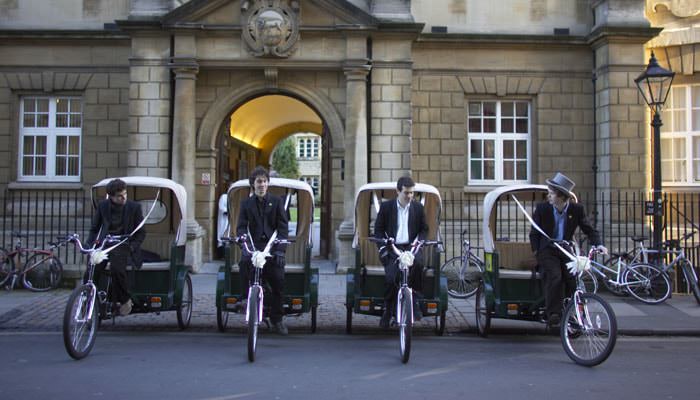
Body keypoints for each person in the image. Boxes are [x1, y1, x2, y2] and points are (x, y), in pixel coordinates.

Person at [529, 172, 607, 328]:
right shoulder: (542, 209)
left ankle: (573, 311)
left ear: (561, 197)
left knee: (573, 279)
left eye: (551, 193)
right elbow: (534, 233)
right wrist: (537, 252)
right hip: (547, 250)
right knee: (555, 275)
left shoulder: (576, 210)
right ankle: (554, 314)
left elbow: (589, 229)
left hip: (565, 249)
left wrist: (598, 244)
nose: (548, 196)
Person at [236, 166, 289, 335]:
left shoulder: (277, 201)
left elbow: (283, 228)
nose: (262, 185)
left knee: (279, 281)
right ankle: (245, 299)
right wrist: (245, 244)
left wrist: (280, 250)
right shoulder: (246, 204)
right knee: (244, 264)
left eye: (265, 181)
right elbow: (241, 228)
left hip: (272, 250)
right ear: (253, 184)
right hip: (254, 248)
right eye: (259, 181)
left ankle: (277, 319)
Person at [374, 176, 429, 329]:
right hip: (393, 248)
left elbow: (424, 229)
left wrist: (420, 242)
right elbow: (378, 230)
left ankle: (415, 301)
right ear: (398, 191)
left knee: (418, 265)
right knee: (391, 277)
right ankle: (387, 309)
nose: (409, 196)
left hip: (411, 247)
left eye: (412, 193)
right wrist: (383, 248)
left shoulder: (418, 208)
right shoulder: (386, 208)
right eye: (406, 193)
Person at [87, 178, 145, 316]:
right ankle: (88, 299)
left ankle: (125, 299)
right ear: (111, 196)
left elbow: (141, 232)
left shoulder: (134, 207)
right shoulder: (103, 206)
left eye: (125, 194)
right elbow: (94, 228)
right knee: (92, 269)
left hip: (124, 244)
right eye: (119, 196)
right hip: (105, 244)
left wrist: (132, 246)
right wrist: (89, 244)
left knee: (117, 269)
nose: (123, 197)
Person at [216, 184, 230, 258]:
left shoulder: (233, 197)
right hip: (224, 219)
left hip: (230, 220)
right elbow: (221, 207)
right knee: (222, 235)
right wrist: (228, 212)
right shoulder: (224, 197)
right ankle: (222, 255)